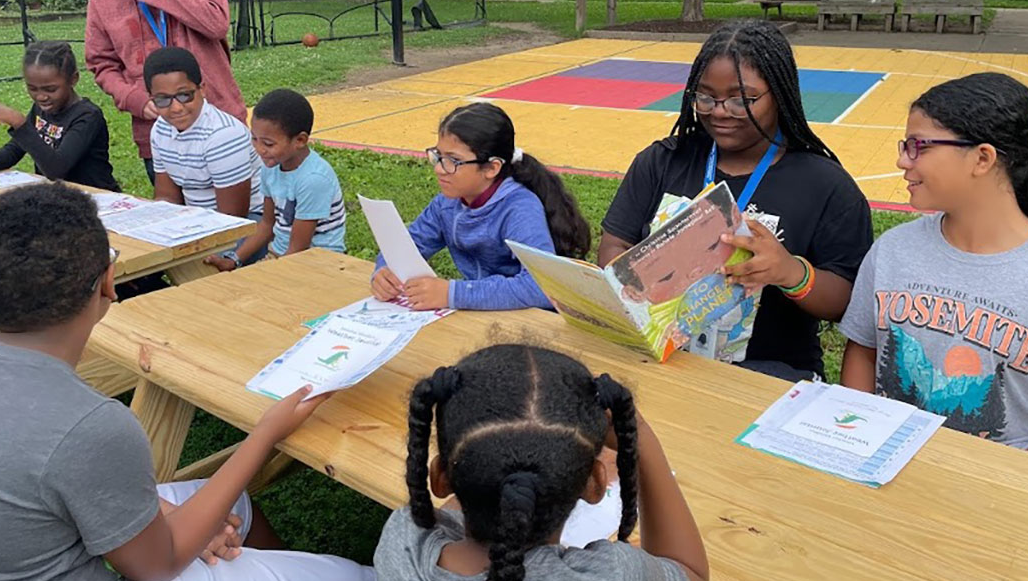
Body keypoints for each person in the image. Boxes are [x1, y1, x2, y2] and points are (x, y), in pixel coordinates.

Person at [0, 183, 376, 581]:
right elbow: (157, 563)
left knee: (235, 507)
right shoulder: (92, 424)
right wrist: (263, 435)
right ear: (108, 282)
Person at [840, 73, 1028, 466]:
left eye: (918, 146)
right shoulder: (892, 251)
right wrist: (863, 436)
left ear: (982, 158)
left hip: (995, 494)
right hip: (885, 470)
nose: (902, 160)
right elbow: (863, 351)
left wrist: (996, 479)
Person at [373, 344, 708, 581]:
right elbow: (689, 572)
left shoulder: (401, 543)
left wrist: (493, 452)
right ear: (595, 484)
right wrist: (641, 441)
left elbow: (479, 487)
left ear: (440, 478)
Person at [598, 20, 873, 382]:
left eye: (742, 100)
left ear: (781, 94)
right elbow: (617, 241)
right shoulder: (662, 161)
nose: (720, 111)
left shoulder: (827, 187)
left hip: (768, 376)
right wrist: (627, 285)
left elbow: (846, 302)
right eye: (706, 96)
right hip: (664, 364)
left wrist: (791, 272)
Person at [83, 0, 246, 185]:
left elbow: (215, 23)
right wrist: (134, 99)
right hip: (157, 129)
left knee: (234, 220)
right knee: (176, 219)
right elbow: (101, 64)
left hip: (218, 119)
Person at [370, 103, 590, 311]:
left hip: (529, 319)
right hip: (481, 314)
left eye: (453, 160)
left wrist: (452, 293)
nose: (439, 168)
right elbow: (407, 247)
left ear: (492, 168)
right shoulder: (446, 204)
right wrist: (385, 272)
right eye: (438, 156)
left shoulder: (520, 209)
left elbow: (541, 287)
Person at [0, 41, 120, 192]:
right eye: (32, 88)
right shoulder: (41, 110)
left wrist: (19, 123)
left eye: (50, 89)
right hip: (60, 199)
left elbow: (57, 169)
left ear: (73, 79)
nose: (41, 96)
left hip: (97, 198)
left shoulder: (87, 116)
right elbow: (14, 151)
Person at [205, 89, 346, 271]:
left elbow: (298, 249)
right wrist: (233, 260)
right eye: (254, 139)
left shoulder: (314, 180)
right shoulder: (270, 167)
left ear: (300, 140)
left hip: (319, 263)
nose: (259, 149)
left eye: (268, 144)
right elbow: (267, 225)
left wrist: (268, 275)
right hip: (279, 256)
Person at [145, 46, 263, 221]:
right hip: (198, 219)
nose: (176, 107)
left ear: (202, 89)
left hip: (251, 221)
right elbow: (168, 199)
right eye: (163, 99)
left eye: (184, 95)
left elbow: (232, 218)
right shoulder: (160, 130)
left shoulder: (223, 135)